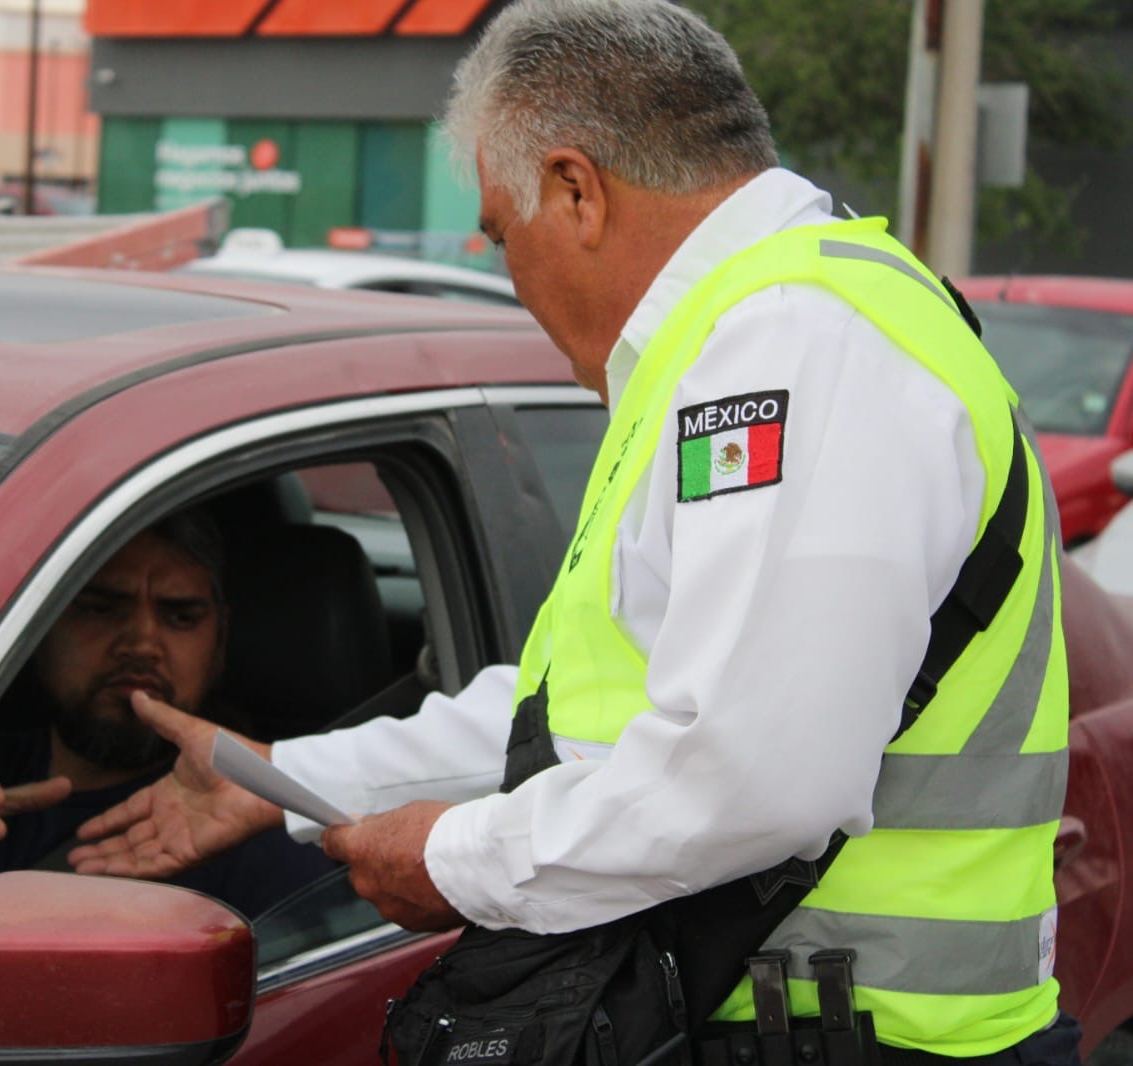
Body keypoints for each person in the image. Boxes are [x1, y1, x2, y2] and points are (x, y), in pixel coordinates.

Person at [67, 2, 1078, 1063]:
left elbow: (753, 778)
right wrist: (288, 779)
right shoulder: (771, 329)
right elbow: (588, 723)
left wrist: (456, 859)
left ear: (576, 191)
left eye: (502, 235)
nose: (511, 280)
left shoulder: (792, 343)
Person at [0, 508, 335, 917]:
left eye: (180, 617)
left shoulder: (255, 841)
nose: (142, 643)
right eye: (100, 609)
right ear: (39, 628)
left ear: (219, 643)